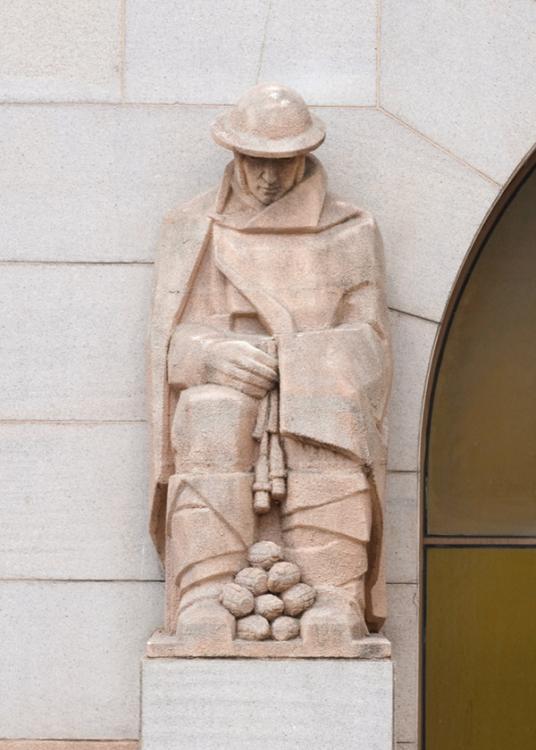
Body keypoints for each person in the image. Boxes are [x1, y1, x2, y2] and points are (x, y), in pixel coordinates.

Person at [149, 83, 392, 651]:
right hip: (225, 380)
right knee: (209, 415)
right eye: (256, 160)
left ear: (305, 156)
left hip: (314, 379)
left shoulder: (350, 228)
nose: (268, 177)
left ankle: (331, 593)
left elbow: (371, 339)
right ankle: (206, 592)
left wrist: (300, 360)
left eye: (282, 163)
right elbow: (167, 343)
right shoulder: (194, 227)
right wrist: (209, 355)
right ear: (234, 154)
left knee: (326, 416)